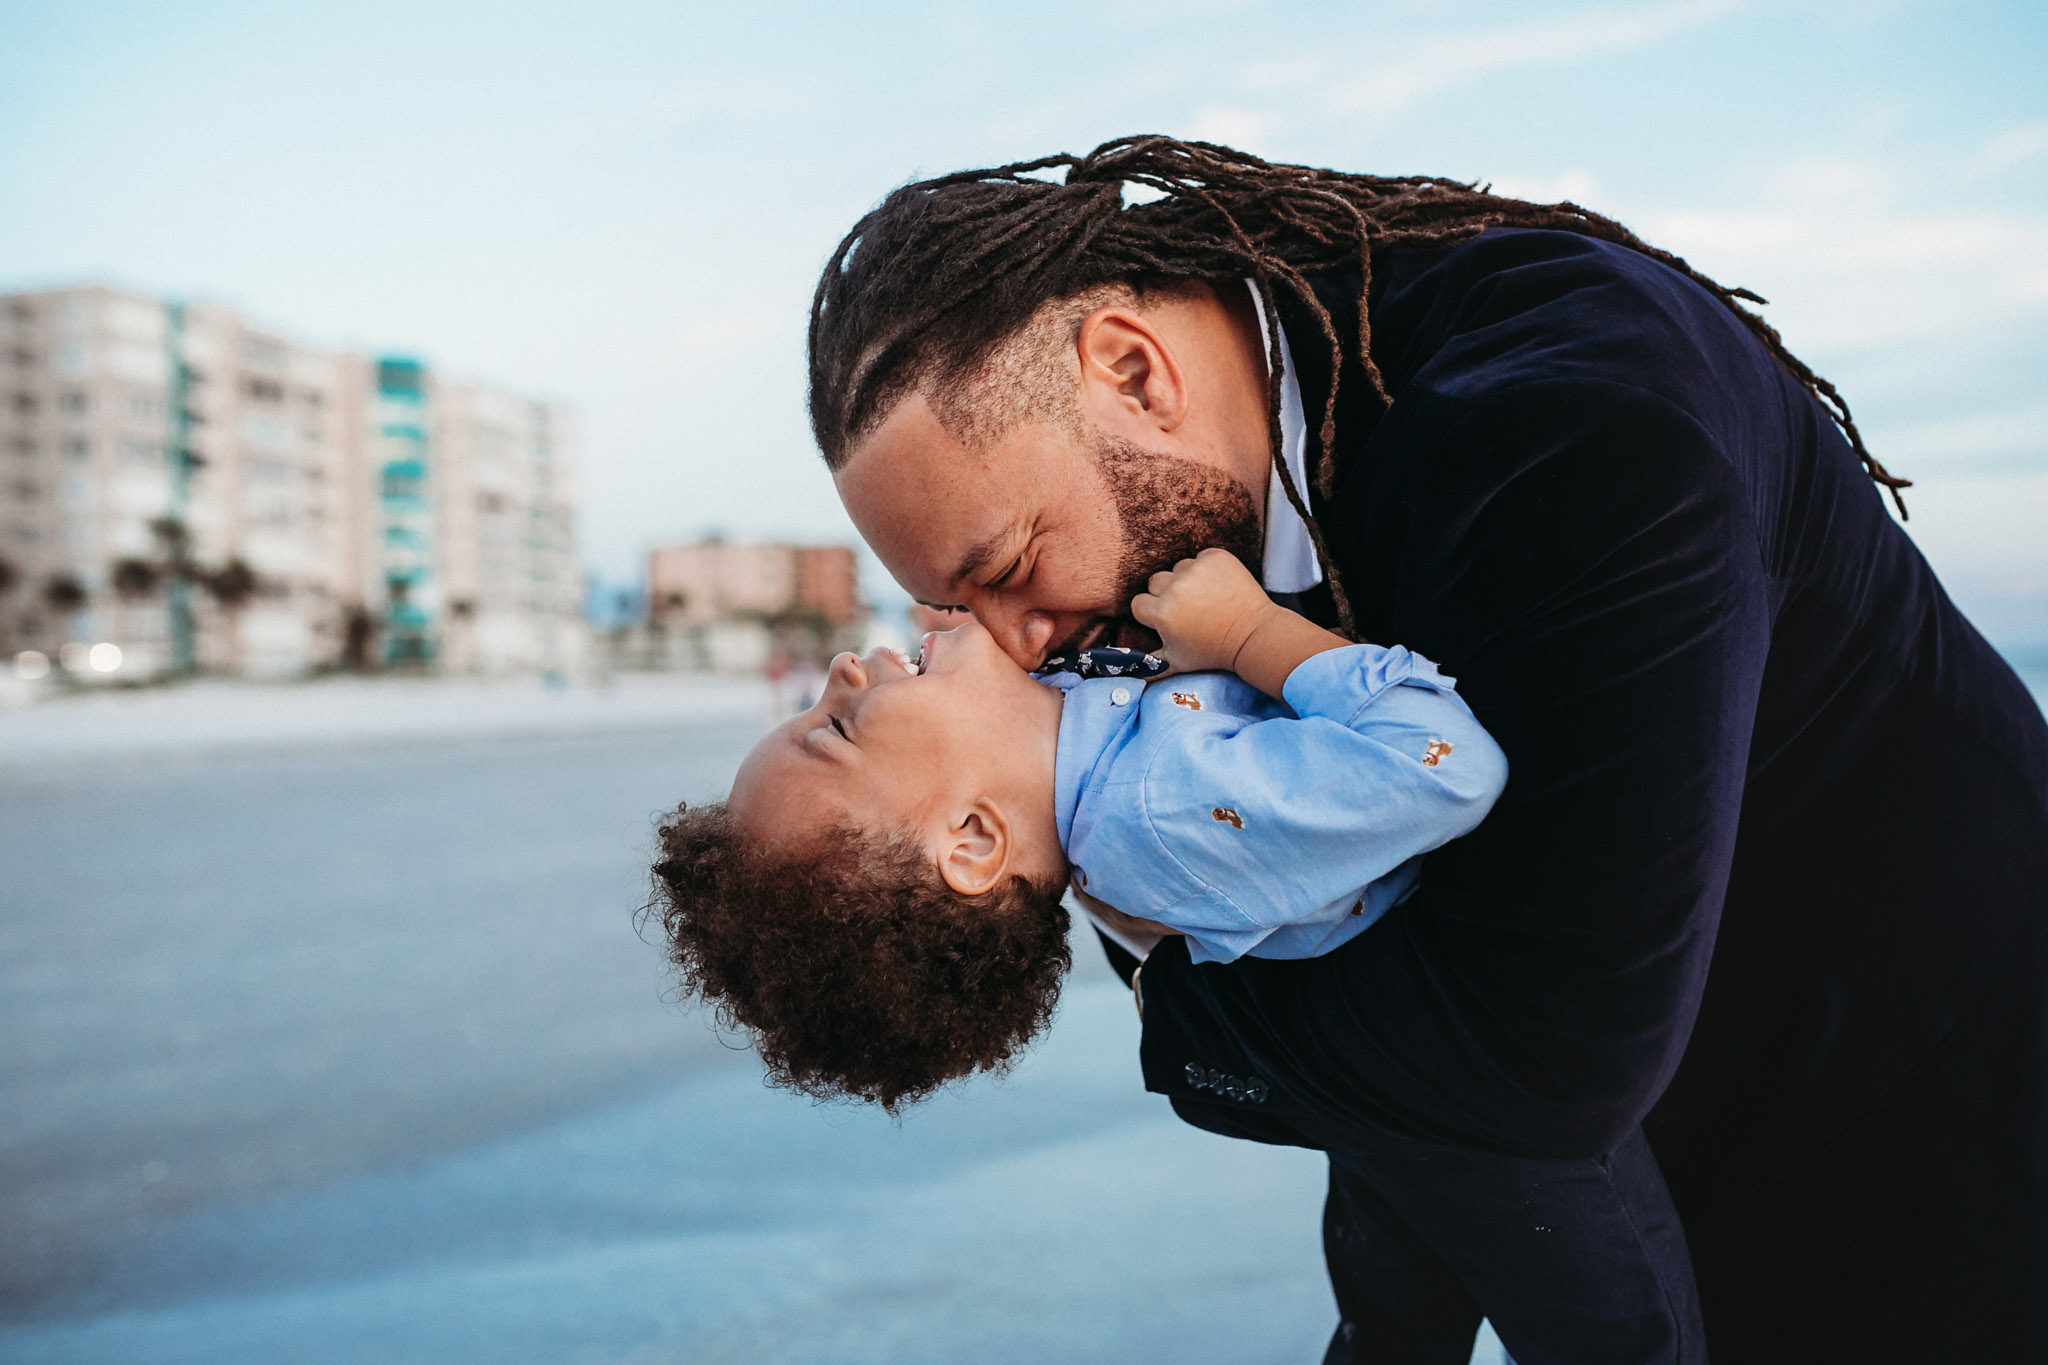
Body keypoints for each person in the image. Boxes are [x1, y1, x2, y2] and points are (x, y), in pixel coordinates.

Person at [802, 137, 2048, 1363]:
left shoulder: (1578, 423)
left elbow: (1550, 1054)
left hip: (1940, 1138)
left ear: (1131, 370)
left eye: (1011, 571)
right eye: (963, 618)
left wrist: (1183, 1010)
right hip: (1701, 1167)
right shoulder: (1217, 513)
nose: (1017, 646)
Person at [650, 547, 1504, 1109]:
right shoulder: (1162, 811)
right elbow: (1449, 767)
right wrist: (1250, 633)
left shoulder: (1072, 741)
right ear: (975, 840)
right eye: (836, 729)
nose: (837, 671)